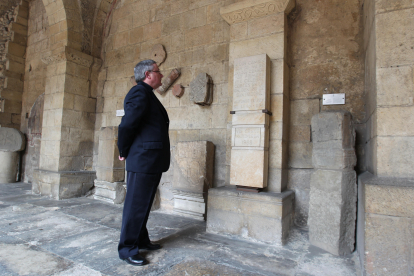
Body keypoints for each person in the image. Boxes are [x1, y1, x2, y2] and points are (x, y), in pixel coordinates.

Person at [117, 60, 169, 266]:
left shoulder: (148, 94)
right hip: (143, 159)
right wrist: (123, 149)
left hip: (150, 159)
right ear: (148, 74)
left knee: (144, 203)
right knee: (135, 205)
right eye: (159, 71)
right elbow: (127, 124)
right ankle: (127, 248)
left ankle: (141, 239)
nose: (162, 75)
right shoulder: (139, 92)